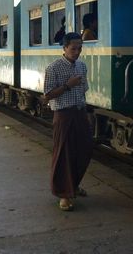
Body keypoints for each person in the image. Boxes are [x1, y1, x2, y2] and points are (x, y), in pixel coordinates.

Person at [43, 32, 93, 211]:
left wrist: (85, 111)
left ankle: (74, 185)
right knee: (64, 154)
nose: (77, 52)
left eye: (80, 48)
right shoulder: (54, 68)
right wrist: (67, 85)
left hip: (79, 112)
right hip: (64, 115)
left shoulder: (82, 66)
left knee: (84, 150)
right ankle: (63, 194)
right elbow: (48, 94)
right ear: (64, 48)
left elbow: (83, 90)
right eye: (73, 49)